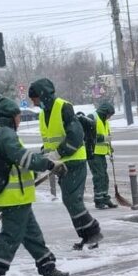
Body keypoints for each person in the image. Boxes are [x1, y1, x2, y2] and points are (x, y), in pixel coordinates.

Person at [0, 98, 70, 276]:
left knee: (32, 234)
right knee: (11, 237)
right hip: (13, 197)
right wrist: (49, 164)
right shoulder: (6, 134)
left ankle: (48, 269)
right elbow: (23, 158)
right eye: (19, 116)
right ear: (13, 117)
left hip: (16, 196)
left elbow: (16, 161)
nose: (20, 120)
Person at [27, 78, 103, 249]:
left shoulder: (63, 107)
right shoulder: (42, 114)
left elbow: (76, 136)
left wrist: (58, 153)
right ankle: (89, 235)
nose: (34, 103)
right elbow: (49, 141)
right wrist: (44, 157)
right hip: (60, 163)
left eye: (35, 99)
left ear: (43, 95)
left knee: (72, 200)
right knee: (70, 201)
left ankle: (92, 233)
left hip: (74, 160)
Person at [88, 100, 118, 209]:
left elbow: (106, 136)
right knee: (98, 176)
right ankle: (98, 200)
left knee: (104, 176)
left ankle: (105, 198)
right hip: (93, 153)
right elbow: (88, 136)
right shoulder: (92, 118)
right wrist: (104, 138)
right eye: (109, 115)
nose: (109, 117)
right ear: (104, 112)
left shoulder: (105, 121)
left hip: (101, 153)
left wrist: (110, 149)